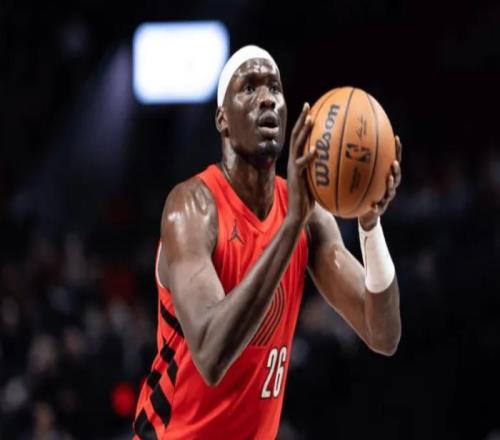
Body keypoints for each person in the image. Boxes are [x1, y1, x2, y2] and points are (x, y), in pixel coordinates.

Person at [133, 45, 402, 440]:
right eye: (249, 87)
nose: (266, 98)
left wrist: (369, 223)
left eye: (274, 88)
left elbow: (383, 334)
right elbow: (210, 354)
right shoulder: (191, 208)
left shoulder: (306, 215)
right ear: (223, 119)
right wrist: (290, 226)